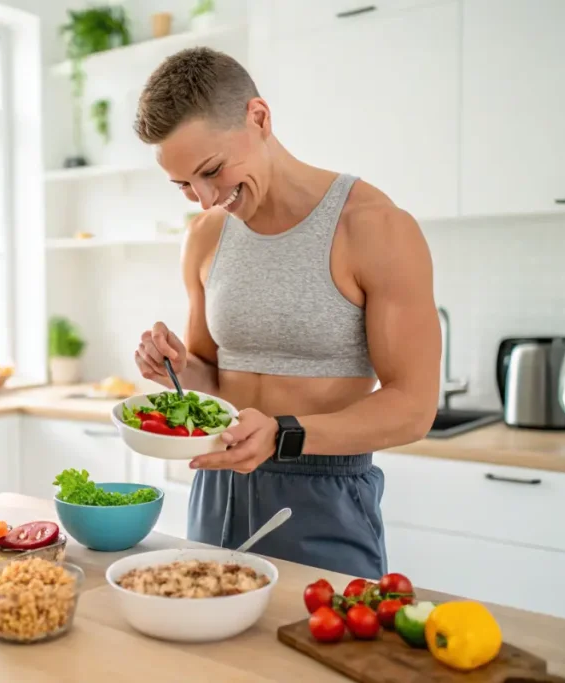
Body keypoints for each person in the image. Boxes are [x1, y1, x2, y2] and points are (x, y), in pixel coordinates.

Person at [131, 47, 441, 578]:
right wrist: (179, 370)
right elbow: (212, 377)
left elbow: (413, 408)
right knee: (207, 658)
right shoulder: (205, 237)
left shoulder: (373, 226)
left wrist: (283, 434)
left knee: (320, 656)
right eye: (184, 185)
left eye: (211, 170)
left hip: (323, 493)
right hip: (217, 486)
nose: (204, 200)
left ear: (259, 118)